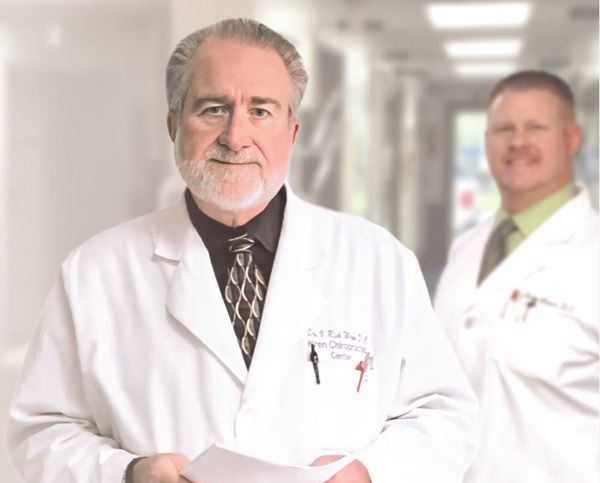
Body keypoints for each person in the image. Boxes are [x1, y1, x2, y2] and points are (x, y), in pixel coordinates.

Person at [8, 18, 478, 483]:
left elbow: (444, 415)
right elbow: (43, 430)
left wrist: (370, 474)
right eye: (213, 109)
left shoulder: (378, 261)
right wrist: (129, 474)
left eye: (261, 111)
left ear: (292, 132)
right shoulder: (94, 272)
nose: (235, 137)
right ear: (173, 125)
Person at [434, 70, 599, 483]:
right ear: (487, 140)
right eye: (504, 129)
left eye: (536, 128)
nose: (518, 142)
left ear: (571, 139)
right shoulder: (465, 249)